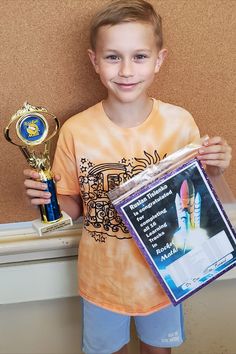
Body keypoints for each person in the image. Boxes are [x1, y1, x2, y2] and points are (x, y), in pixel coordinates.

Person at [23, 1, 232, 353]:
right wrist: (50, 203)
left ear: (159, 60)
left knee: (158, 350)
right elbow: (73, 204)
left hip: (166, 276)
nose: (125, 70)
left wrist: (216, 165)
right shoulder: (77, 130)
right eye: (112, 57)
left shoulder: (179, 123)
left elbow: (197, 193)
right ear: (94, 61)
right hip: (102, 279)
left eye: (139, 56)